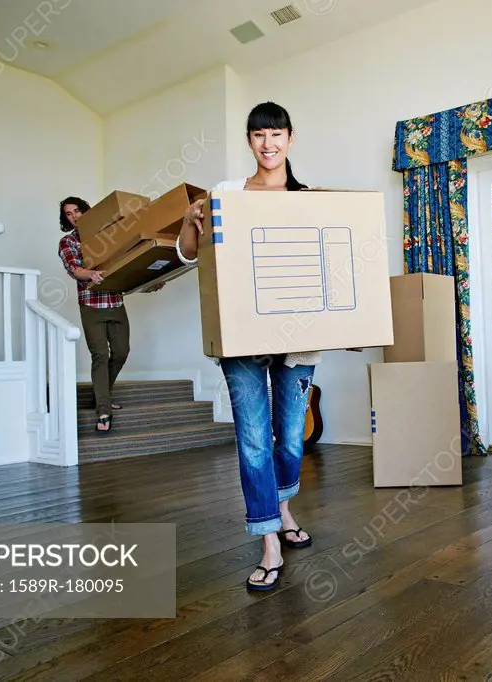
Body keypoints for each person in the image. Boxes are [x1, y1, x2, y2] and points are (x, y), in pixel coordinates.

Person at [176, 101, 329, 591]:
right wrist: (189, 219)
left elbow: (327, 268)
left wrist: (344, 328)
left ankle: (284, 509)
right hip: (241, 336)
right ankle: (268, 541)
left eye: (277, 134)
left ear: (290, 138)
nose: (268, 144)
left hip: (299, 339)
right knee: (254, 440)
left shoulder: (308, 199)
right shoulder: (225, 194)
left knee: (289, 436)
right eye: (259, 135)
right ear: (249, 141)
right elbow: (186, 253)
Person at [58, 197, 162, 432]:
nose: (74, 216)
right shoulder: (67, 242)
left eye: (77, 211)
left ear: (87, 212)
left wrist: (150, 281)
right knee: (100, 356)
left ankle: (101, 395)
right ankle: (103, 410)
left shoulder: (108, 236)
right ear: (66, 219)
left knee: (121, 352)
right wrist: (90, 274)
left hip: (114, 301)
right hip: (91, 303)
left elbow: (125, 265)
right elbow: (75, 269)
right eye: (68, 214)